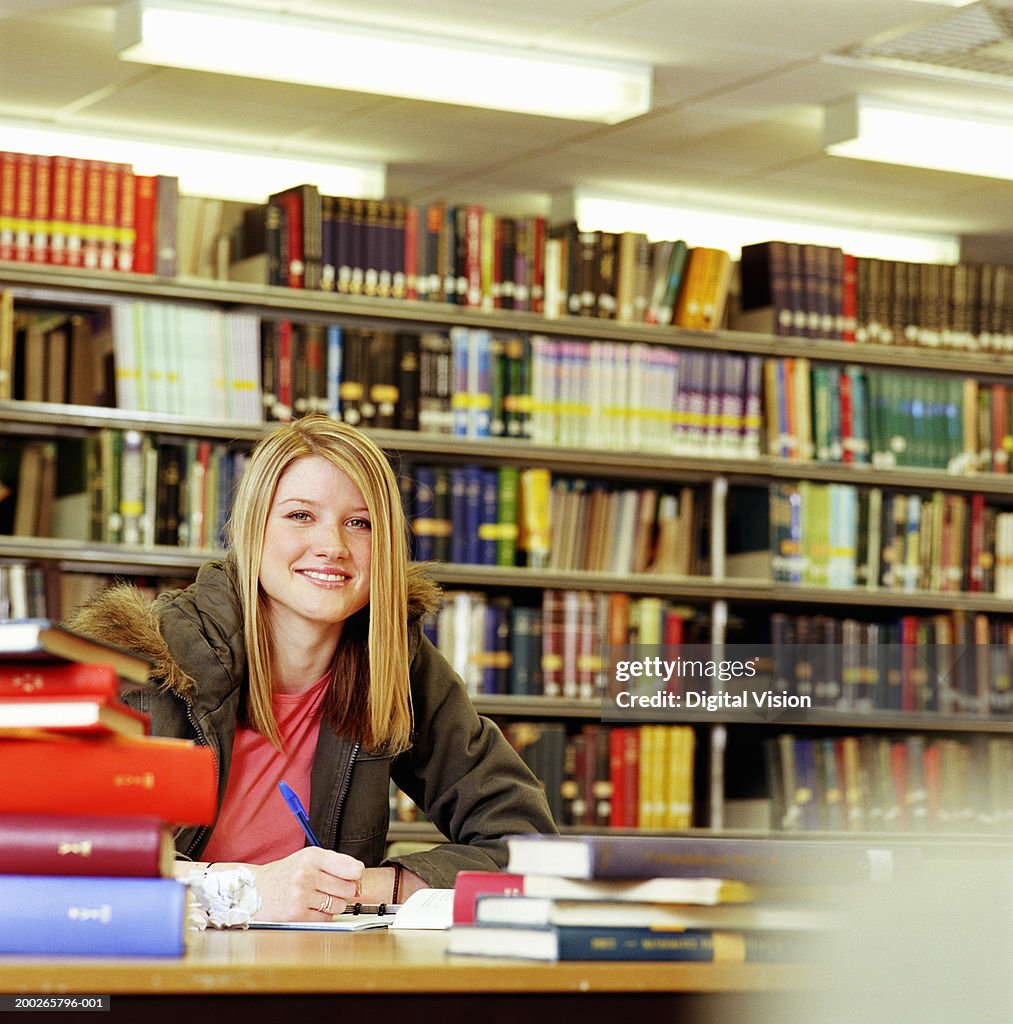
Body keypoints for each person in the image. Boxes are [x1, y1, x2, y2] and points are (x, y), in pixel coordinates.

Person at [67, 414, 557, 921]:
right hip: (152, 968)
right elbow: (56, 849)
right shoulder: (140, 657)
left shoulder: (392, 660)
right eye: (301, 515)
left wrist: (368, 885)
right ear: (253, 529)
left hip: (314, 973)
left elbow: (525, 845)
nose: (333, 546)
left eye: (360, 523)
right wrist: (245, 888)